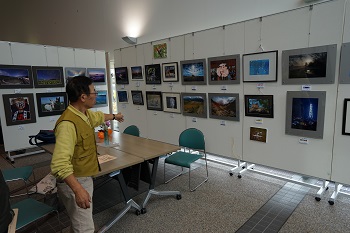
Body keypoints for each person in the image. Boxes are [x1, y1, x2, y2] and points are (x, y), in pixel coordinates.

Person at [50, 76, 124, 233]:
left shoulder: (83, 114)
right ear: (83, 97)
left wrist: (114, 116)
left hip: (83, 176)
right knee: (85, 228)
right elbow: (59, 164)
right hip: (76, 180)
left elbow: (98, 117)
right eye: (94, 92)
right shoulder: (68, 124)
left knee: (78, 220)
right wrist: (78, 190)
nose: (96, 94)